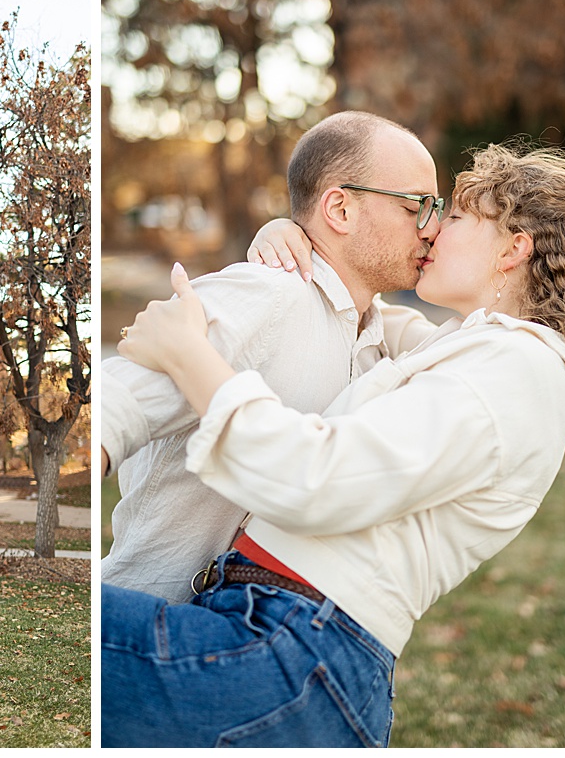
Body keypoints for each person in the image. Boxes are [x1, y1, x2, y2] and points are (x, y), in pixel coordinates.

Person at [102, 141, 565, 747]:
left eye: (453, 216)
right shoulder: (482, 351)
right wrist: (302, 235)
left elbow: (317, 479)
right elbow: (351, 310)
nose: (432, 230)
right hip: (292, 647)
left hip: (289, 651)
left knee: (76, 637)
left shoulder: (518, 374)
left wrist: (189, 352)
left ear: (513, 249)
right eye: (423, 210)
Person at [102, 110, 442, 602]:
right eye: (418, 205)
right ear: (340, 210)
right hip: (150, 623)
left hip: (259, 642)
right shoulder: (266, 293)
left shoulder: (373, 331)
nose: (431, 228)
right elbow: (117, 400)